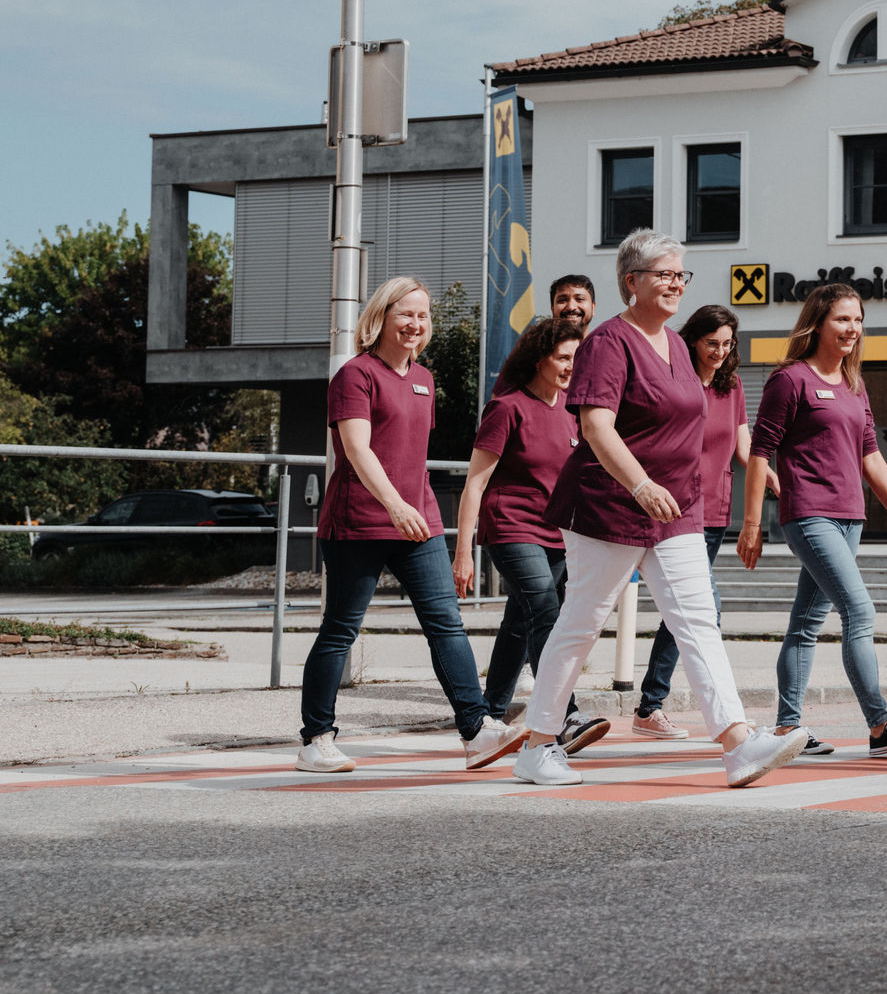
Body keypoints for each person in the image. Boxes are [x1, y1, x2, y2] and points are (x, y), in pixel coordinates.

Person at [510, 230, 808, 789]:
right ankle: (539, 745)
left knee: (698, 622)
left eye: (681, 275)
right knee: (581, 623)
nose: (676, 284)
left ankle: (738, 744)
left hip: (676, 511)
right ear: (632, 282)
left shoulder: (675, 344)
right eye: (664, 275)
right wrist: (641, 484)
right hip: (608, 506)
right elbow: (595, 424)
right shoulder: (608, 343)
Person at [296, 276, 525, 774]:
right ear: (381, 317)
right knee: (340, 629)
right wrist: (395, 505)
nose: (415, 324)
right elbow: (356, 450)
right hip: (358, 522)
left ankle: (476, 730)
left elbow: (412, 455)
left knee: (446, 623)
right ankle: (316, 738)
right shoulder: (355, 375)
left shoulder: (424, 379)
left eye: (423, 315)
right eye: (406, 313)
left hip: (417, 522)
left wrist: (414, 509)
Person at [739, 283, 887, 758]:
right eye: (843, 319)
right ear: (818, 323)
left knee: (806, 623)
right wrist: (751, 525)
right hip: (809, 514)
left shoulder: (855, 385)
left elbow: (870, 456)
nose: (853, 328)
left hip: (850, 517)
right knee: (859, 612)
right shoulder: (789, 379)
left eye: (858, 320)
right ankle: (879, 726)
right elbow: (759, 453)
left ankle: (787, 728)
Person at [452, 315, 608, 755]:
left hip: (558, 533)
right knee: (546, 612)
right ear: (540, 359)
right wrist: (463, 552)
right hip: (512, 527)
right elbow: (475, 484)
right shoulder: (507, 407)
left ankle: (489, 719)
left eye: (576, 359)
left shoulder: (572, 412)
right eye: (563, 358)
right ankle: (565, 716)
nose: (570, 367)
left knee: (520, 624)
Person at [630, 303, 773, 741]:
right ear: (692, 340)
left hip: (713, 513)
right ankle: (712, 719)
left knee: (687, 612)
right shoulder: (679, 383)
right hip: (672, 509)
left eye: (728, 345)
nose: (720, 352)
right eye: (712, 343)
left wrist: (777, 483)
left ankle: (649, 707)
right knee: (702, 611)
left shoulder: (732, 389)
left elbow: (745, 449)